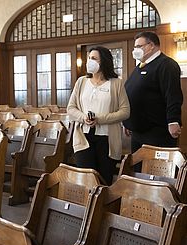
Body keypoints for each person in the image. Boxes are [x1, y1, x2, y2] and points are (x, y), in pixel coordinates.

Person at [67, 46, 130, 185]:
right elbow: (71, 108)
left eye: (94, 58)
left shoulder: (116, 83)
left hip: (107, 139)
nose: (90, 61)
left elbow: (125, 111)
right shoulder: (81, 81)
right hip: (83, 136)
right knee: (86, 179)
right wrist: (83, 117)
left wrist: (100, 119)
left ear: (104, 62)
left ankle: (101, 207)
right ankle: (87, 206)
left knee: (103, 180)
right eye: (89, 58)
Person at [123, 31, 183, 153]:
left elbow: (172, 95)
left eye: (139, 46)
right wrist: (127, 122)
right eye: (135, 47)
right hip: (138, 132)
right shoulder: (140, 66)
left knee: (154, 170)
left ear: (151, 45)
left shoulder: (166, 65)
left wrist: (173, 120)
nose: (135, 50)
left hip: (157, 131)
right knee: (138, 170)